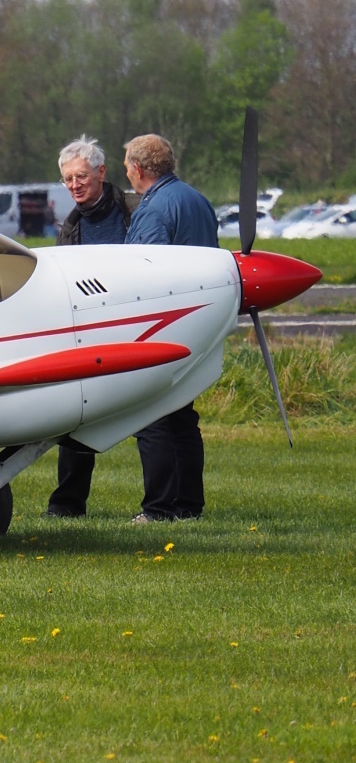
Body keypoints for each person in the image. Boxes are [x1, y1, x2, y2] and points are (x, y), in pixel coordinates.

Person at [122, 133, 218, 523]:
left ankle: (157, 508)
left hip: (163, 327)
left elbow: (144, 275)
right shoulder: (197, 200)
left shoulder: (153, 209)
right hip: (198, 323)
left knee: (152, 417)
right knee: (182, 417)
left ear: (138, 169)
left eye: (127, 165)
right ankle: (188, 504)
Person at [43, 135, 137, 517]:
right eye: (68, 179)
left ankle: (165, 505)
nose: (74, 185)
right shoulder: (70, 226)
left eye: (81, 176)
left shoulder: (135, 209)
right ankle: (67, 504)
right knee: (76, 419)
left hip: (135, 324)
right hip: (90, 333)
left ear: (101, 173)